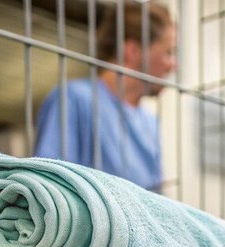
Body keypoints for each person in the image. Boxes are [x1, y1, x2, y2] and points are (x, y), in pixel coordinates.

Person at [33, 2, 176, 191]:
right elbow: (50, 187)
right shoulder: (73, 100)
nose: (173, 65)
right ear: (132, 50)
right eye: (168, 53)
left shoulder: (149, 123)